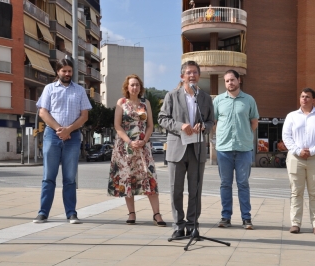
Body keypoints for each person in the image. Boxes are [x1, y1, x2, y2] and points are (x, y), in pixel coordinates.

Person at [158, 60, 214, 238]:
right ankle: (178, 225)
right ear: (182, 76)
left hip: (197, 148)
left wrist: (203, 126)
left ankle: (192, 225)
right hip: (177, 148)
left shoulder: (204, 98)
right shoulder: (171, 96)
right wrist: (181, 126)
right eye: (188, 72)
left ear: (199, 75)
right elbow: (162, 119)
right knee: (176, 189)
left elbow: (211, 121)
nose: (192, 75)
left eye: (195, 72)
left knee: (195, 190)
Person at [33, 59, 92, 224]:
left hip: (72, 138)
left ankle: (71, 213)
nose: (67, 74)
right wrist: (60, 129)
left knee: (70, 178)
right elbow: (43, 112)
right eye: (64, 71)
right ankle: (43, 213)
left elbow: (84, 116)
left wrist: (69, 130)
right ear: (57, 72)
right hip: (52, 135)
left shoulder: (80, 90)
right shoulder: (49, 89)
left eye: (69, 71)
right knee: (48, 177)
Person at [107, 74, 166, 227]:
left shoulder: (145, 103)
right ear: (127, 87)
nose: (134, 87)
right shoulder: (121, 102)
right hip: (125, 147)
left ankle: (157, 214)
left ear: (140, 87)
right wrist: (130, 141)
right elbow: (117, 125)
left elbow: (150, 126)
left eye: (137, 85)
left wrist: (144, 141)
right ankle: (131, 213)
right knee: (128, 178)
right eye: (132, 85)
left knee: (149, 178)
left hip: (143, 148)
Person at [282, 88, 315, 235]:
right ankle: (295, 223)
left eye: (307, 97)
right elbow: (286, 136)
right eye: (302, 96)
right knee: (296, 192)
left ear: (313, 100)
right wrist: (298, 151)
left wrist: (313, 150)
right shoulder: (291, 116)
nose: (304, 99)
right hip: (295, 158)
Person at [214, 69, 259, 230]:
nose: (230, 83)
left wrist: (245, 135)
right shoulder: (218, 100)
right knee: (225, 184)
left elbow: (254, 122)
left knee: (243, 184)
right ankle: (225, 217)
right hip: (223, 149)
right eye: (227, 81)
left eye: (232, 80)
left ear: (239, 80)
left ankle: (246, 218)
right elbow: (213, 122)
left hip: (244, 149)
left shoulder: (249, 100)